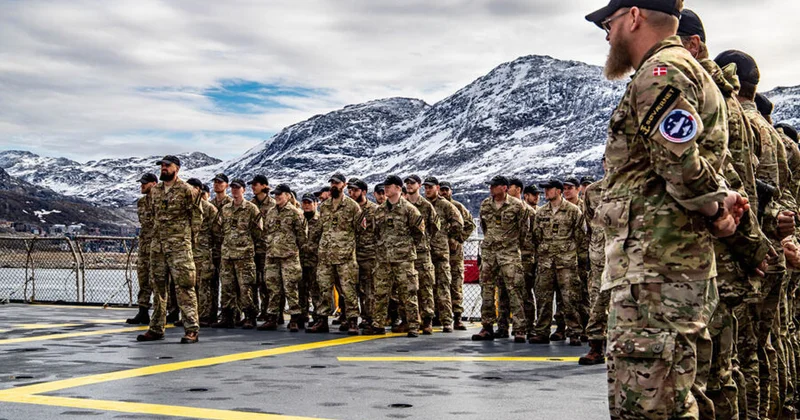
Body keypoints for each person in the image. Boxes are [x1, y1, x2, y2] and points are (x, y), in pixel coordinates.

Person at [585, 1, 750, 418]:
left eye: (610, 22)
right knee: (677, 396)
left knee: (650, 406)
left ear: (634, 17)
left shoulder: (661, 73)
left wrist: (716, 210)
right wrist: (719, 201)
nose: (607, 34)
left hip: (656, 271)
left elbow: (679, 161)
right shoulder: (682, 70)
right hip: (668, 267)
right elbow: (691, 159)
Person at [717, 49, 797, 419]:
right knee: (769, 342)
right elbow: (787, 194)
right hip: (775, 253)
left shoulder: (737, 122)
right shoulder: (772, 133)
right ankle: (777, 410)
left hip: (749, 253)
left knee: (741, 356)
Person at [137, 155, 202, 344]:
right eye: (162, 166)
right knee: (158, 287)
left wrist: (189, 240)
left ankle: (191, 329)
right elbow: (152, 216)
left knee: (184, 287)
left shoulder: (187, 190)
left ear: (177, 168)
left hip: (179, 247)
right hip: (158, 247)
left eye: (168, 166)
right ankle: (156, 328)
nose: (164, 168)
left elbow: (197, 217)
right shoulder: (155, 191)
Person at [364, 175, 425, 337]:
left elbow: (419, 233)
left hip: (403, 260)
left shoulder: (409, 210)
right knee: (381, 293)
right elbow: (375, 232)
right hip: (383, 259)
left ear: (398, 188)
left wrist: (406, 249)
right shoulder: (380, 210)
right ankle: (378, 324)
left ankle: (413, 325)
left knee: (408, 293)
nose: (386, 189)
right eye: (385, 186)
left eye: (389, 186)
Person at [472, 175, 530, 342]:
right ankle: (487, 326)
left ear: (504, 188)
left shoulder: (517, 206)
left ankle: (519, 329)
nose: (491, 188)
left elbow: (524, 230)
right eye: (490, 185)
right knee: (487, 291)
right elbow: (485, 227)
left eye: (495, 185)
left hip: (509, 253)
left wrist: (511, 245)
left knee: (515, 291)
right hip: (490, 254)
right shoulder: (485, 205)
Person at [528, 179, 585, 346]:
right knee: (543, 299)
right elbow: (536, 236)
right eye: (544, 189)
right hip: (546, 262)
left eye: (549, 189)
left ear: (559, 191)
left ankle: (574, 332)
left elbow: (581, 237)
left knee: (570, 298)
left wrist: (579, 260)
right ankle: (542, 332)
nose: (546, 192)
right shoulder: (541, 213)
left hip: (566, 262)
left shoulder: (573, 211)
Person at [306, 173, 363, 334]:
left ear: (344, 185)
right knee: (324, 288)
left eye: (337, 183)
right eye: (332, 183)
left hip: (345, 257)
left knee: (348, 290)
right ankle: (322, 320)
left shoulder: (352, 207)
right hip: (325, 256)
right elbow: (317, 230)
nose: (334, 186)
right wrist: (311, 247)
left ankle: (352, 320)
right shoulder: (324, 207)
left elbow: (361, 231)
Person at [212, 179, 263, 329]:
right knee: (227, 287)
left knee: (245, 287)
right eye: (233, 188)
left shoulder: (251, 209)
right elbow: (219, 229)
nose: (234, 190)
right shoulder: (226, 209)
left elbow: (258, 232)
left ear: (243, 190)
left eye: (237, 188)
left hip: (244, 255)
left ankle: (249, 316)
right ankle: (228, 316)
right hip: (227, 254)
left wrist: (247, 245)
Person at [258, 184, 307, 332]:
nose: (277, 196)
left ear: (287, 195)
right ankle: (272, 317)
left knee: (291, 288)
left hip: (289, 257)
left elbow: (302, 236)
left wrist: (294, 250)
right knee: (273, 288)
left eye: (280, 194)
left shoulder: (295, 213)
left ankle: (294, 318)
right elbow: (266, 231)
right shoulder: (271, 212)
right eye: (275, 194)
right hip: (272, 256)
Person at [423, 177, 464, 333]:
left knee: (444, 286)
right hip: (426, 252)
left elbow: (460, 223)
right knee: (427, 288)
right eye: (426, 187)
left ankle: (448, 320)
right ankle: (430, 318)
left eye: (431, 187)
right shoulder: (423, 205)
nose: (428, 190)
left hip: (441, 252)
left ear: (437, 188)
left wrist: (453, 239)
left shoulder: (446, 206)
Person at [404, 174, 439, 334]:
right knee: (408, 288)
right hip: (406, 253)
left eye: (412, 183)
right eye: (407, 183)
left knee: (425, 287)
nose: (409, 186)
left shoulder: (426, 206)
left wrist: (424, 241)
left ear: (418, 185)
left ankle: (427, 320)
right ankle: (411, 319)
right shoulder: (402, 205)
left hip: (422, 253)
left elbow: (434, 226)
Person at [440, 181, 476, 330]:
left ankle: (457, 317)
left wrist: (458, 239)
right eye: (441, 190)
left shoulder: (458, 207)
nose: (443, 192)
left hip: (454, 254)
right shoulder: (434, 206)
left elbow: (470, 224)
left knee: (456, 285)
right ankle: (441, 316)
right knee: (440, 285)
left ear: (450, 191)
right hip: (439, 252)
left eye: (446, 190)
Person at [186, 178, 219, 328]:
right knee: (189, 286)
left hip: (204, 253)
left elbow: (218, 232)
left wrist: (212, 250)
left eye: (192, 188)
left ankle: (205, 316)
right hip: (188, 253)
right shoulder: (185, 207)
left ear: (198, 189)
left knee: (205, 286)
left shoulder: (209, 209)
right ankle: (190, 316)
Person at [127, 172, 158, 325]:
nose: (142, 185)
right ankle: (143, 311)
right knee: (143, 280)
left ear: (154, 183)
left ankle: (163, 313)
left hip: (158, 247)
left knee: (158, 282)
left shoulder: (161, 200)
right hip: (145, 246)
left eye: (145, 183)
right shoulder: (141, 203)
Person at [348, 178, 379, 329]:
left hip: (368, 254)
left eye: (355, 190)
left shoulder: (373, 210)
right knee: (351, 288)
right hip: (350, 254)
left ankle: (369, 317)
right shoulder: (348, 208)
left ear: (364, 192)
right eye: (350, 190)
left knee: (368, 289)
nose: (351, 193)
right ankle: (351, 317)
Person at [249, 175, 276, 322]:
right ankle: (254, 311)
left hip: (267, 249)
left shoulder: (272, 204)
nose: (253, 187)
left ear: (264, 186)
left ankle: (269, 311)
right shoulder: (250, 204)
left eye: (256, 184)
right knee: (253, 281)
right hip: (253, 249)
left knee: (268, 282)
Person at [300, 193, 321, 324]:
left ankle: (318, 316)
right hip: (301, 260)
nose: (306, 205)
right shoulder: (299, 219)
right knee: (301, 289)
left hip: (315, 260)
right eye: (305, 203)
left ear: (315, 204)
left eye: (309, 203)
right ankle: (303, 314)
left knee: (316, 290)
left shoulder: (320, 221)